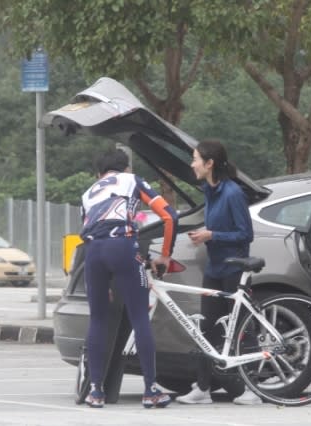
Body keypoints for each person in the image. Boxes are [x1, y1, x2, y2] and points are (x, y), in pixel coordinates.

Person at [81, 148, 178, 409]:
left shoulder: (88, 192)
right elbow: (169, 216)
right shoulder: (132, 180)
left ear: (98, 173)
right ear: (125, 169)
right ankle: (150, 391)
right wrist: (165, 256)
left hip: (92, 253)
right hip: (122, 246)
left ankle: (96, 392)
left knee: (98, 319)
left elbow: (89, 227)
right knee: (139, 317)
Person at [175, 140, 262, 405]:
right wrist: (203, 235)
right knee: (206, 328)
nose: (192, 164)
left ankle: (252, 390)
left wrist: (212, 234)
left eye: (195, 159)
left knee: (241, 330)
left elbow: (245, 233)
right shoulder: (209, 190)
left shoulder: (232, 193)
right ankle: (202, 388)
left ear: (209, 163)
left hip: (235, 269)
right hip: (214, 268)